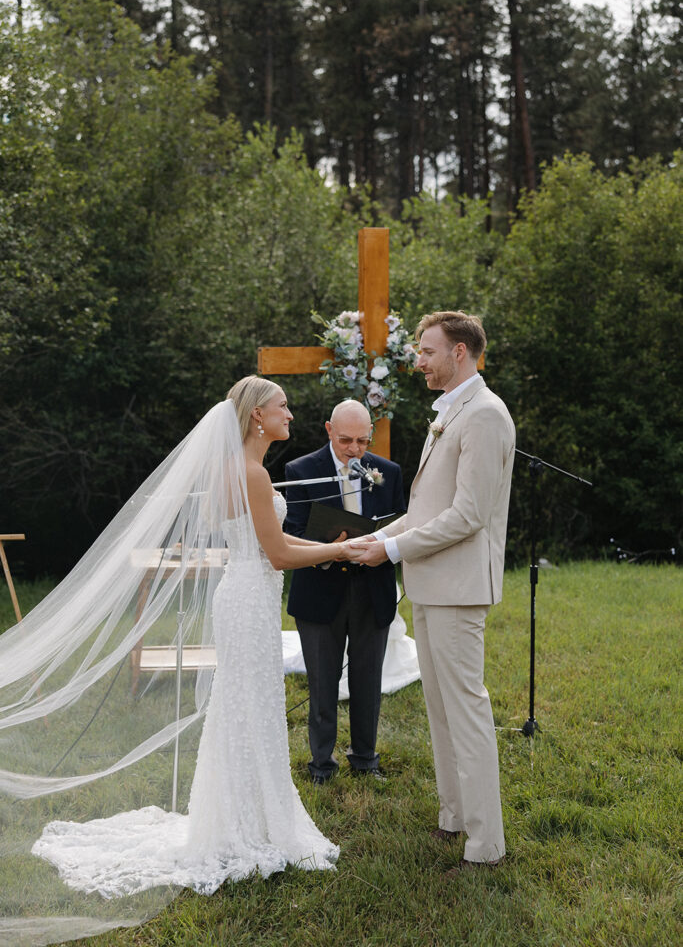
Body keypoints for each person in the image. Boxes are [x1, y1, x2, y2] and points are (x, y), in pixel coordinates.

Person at [0, 377, 360, 944]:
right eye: (282, 406)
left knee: (245, 706)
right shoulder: (252, 473)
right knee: (248, 705)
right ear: (255, 417)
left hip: (244, 595)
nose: (291, 413)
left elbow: (268, 550)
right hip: (249, 598)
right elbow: (278, 553)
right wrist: (341, 548)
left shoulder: (234, 470)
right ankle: (247, 823)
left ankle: (246, 815)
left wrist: (329, 548)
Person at [353, 312, 515, 869]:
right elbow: (427, 509)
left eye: (427, 351)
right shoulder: (450, 413)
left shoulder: (486, 416)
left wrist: (393, 550)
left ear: (461, 353)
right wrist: (376, 538)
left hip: (459, 587)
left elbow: (468, 515)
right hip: (430, 584)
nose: (418, 360)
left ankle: (486, 841)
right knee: (440, 710)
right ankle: (454, 816)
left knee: (466, 710)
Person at [284, 400, 405, 783]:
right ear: (327, 430)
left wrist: (382, 546)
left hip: (373, 587)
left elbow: (402, 523)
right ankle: (321, 763)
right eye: (345, 440)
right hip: (321, 587)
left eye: (362, 441)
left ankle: (365, 759)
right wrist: (328, 546)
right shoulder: (301, 471)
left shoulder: (387, 472)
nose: (355, 449)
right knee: (322, 680)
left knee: (368, 679)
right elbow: (293, 533)